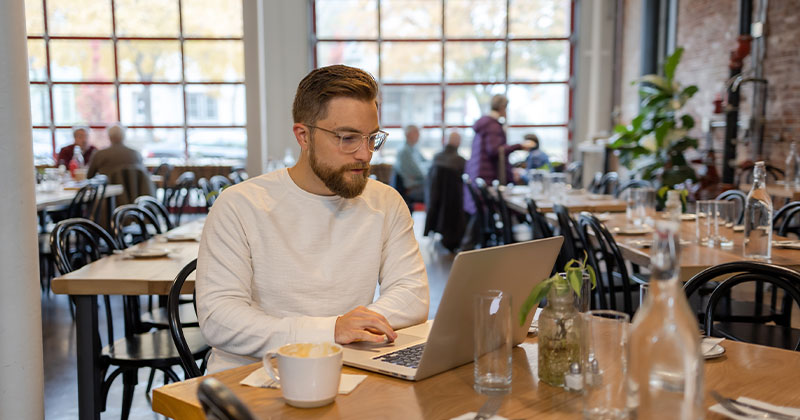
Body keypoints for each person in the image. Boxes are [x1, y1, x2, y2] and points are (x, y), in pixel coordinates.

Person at [196, 65, 430, 373]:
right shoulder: (240, 205)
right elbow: (219, 319)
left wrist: (356, 327)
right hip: (254, 375)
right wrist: (331, 330)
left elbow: (412, 295)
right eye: (348, 138)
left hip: (348, 366)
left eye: (372, 138)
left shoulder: (385, 202)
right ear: (303, 136)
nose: (365, 154)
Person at [463, 94, 535, 214]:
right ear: (502, 108)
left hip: (478, 172)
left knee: (481, 216)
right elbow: (495, 150)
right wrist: (519, 146)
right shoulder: (493, 126)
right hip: (487, 175)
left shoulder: (485, 123)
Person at [424, 131, 467, 252]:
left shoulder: (436, 157)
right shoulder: (460, 161)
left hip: (435, 202)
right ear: (459, 143)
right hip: (454, 205)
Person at [393, 125, 427, 202]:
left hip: (418, 183)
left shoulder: (414, 148)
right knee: (437, 192)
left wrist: (423, 167)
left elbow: (426, 162)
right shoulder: (405, 151)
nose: (419, 135)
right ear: (408, 135)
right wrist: (424, 169)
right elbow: (420, 173)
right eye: (416, 132)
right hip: (411, 188)